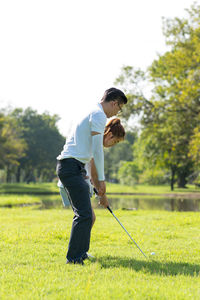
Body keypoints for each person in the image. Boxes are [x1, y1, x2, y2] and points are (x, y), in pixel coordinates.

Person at [56, 88, 128, 265]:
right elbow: (97, 151)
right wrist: (102, 181)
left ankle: (81, 253)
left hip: (75, 167)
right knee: (84, 215)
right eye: (119, 108)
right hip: (70, 167)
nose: (117, 112)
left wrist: (97, 187)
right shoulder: (98, 115)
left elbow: (90, 156)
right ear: (114, 102)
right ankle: (73, 259)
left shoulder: (92, 112)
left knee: (88, 216)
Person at [58, 117, 126, 223]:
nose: (114, 145)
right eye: (115, 141)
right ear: (109, 135)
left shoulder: (94, 140)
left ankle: (80, 240)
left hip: (77, 179)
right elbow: (94, 175)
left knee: (88, 218)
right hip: (74, 178)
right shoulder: (95, 143)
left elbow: (91, 173)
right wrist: (102, 196)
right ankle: (78, 240)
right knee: (87, 217)